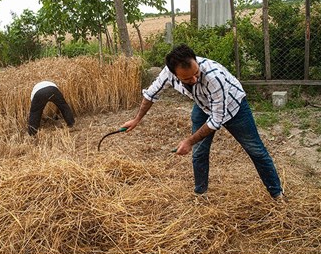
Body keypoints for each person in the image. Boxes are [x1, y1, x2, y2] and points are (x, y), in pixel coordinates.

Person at [121, 43, 285, 201]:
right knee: (199, 152)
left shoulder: (214, 76)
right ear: (175, 74)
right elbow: (151, 94)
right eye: (187, 78)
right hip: (204, 105)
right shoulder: (168, 73)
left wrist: (189, 141)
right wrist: (137, 119)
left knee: (256, 150)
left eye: (196, 73)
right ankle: (201, 194)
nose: (194, 79)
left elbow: (216, 121)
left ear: (196, 62)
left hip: (234, 107)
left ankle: (277, 194)